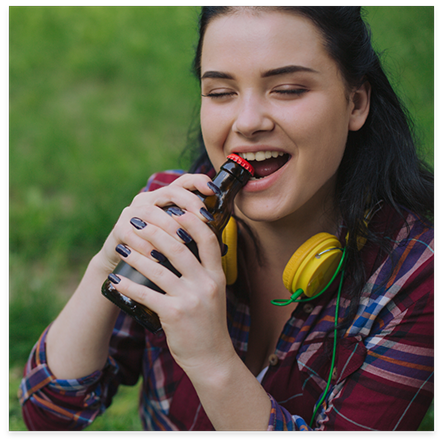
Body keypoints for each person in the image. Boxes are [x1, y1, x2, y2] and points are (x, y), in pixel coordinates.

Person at [19, 6, 433, 431]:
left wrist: (211, 360)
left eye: (287, 89)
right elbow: (49, 413)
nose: (248, 122)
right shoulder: (169, 215)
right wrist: (106, 264)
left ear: (356, 102)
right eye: (220, 92)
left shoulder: (416, 277)